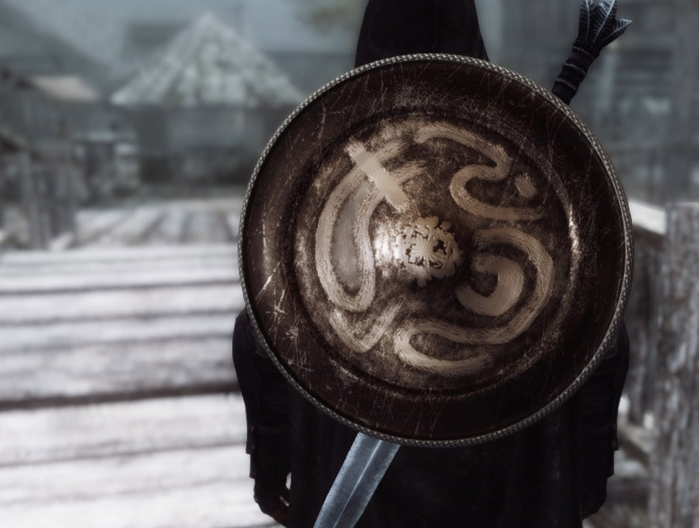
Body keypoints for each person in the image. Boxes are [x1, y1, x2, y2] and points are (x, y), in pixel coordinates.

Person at [232, 1, 630, 526]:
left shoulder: (336, 166)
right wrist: (587, 478)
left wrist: (269, 469)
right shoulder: (518, 164)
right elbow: (604, 344)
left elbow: (262, 334)